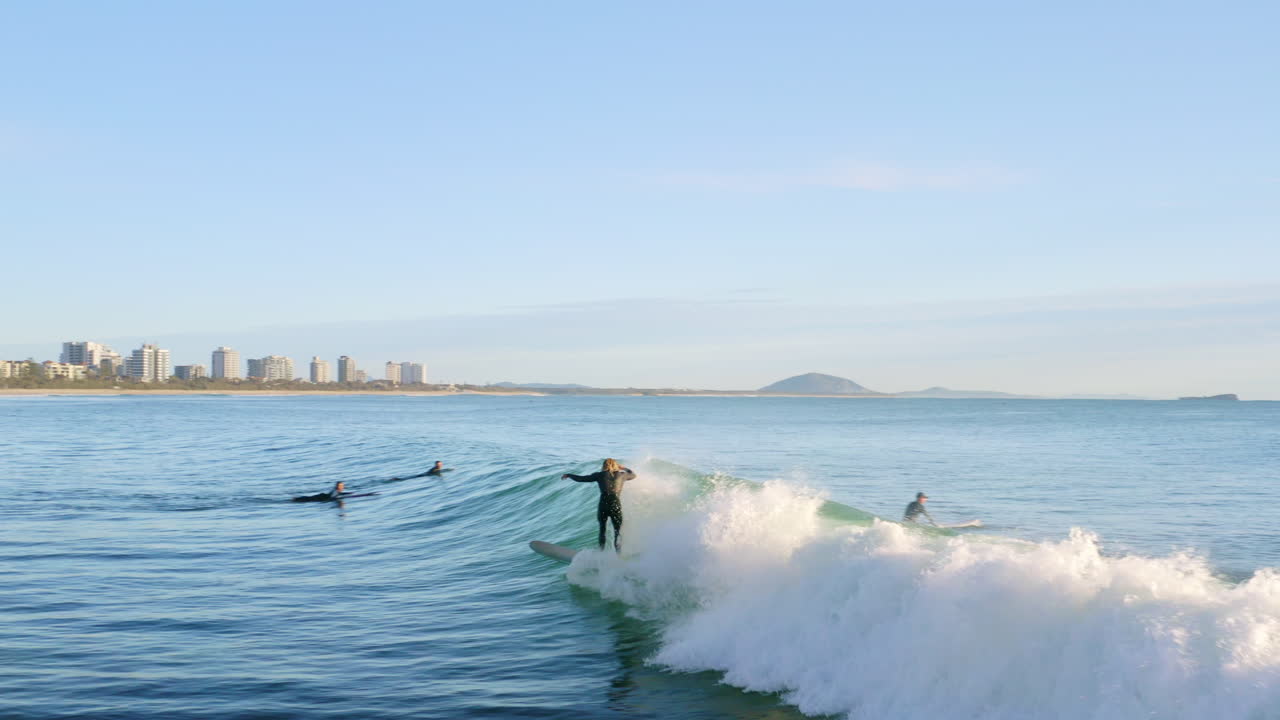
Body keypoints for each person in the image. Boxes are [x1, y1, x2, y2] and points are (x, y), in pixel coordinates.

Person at [563, 458, 636, 552]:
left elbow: (581, 479)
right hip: (615, 504)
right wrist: (623, 468)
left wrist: (569, 475)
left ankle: (601, 554)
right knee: (617, 532)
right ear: (616, 466)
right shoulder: (622, 474)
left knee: (602, 530)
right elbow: (633, 475)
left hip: (603, 504)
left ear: (604, 465)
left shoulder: (599, 475)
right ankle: (619, 556)